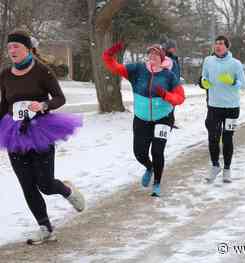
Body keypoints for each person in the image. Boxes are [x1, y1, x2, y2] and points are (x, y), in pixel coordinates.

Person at [0, 30, 85, 245]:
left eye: (16, 47)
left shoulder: (42, 71)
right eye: (9, 47)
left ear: (28, 49)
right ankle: (44, 227)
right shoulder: (5, 74)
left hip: (40, 130)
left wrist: (44, 105)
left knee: (45, 184)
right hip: (15, 133)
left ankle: (67, 190)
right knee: (27, 184)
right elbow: (4, 103)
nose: (12, 51)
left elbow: (60, 98)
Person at [102, 42, 185, 197]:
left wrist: (166, 95)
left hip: (163, 118)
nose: (152, 56)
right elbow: (113, 66)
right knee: (139, 152)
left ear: (161, 58)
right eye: (150, 53)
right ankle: (150, 167)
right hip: (141, 118)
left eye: (156, 54)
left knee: (157, 151)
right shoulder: (138, 70)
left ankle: (157, 183)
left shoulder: (169, 75)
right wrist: (109, 53)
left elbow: (180, 98)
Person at [201, 35, 245, 184]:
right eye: (216, 43)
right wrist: (203, 83)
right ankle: (215, 166)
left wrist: (233, 82)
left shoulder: (235, 64)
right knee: (213, 137)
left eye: (221, 44)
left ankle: (227, 169)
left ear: (227, 47)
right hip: (214, 107)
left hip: (232, 108)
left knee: (227, 139)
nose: (218, 46)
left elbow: (244, 84)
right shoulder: (208, 61)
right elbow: (203, 78)